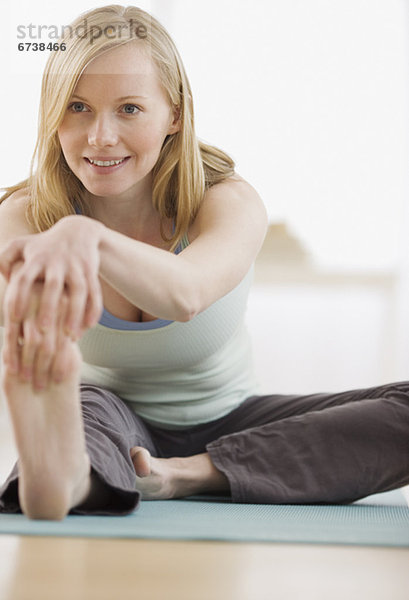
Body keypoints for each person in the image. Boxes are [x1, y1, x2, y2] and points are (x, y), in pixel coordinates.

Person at [0, 5, 408, 521]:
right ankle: (60, 476)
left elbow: (185, 294)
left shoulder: (228, 200)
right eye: (77, 107)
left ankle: (191, 472)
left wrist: (85, 236)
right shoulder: (26, 214)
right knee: (87, 416)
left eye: (129, 109)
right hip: (106, 410)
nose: (100, 135)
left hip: (234, 419)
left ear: (174, 113)